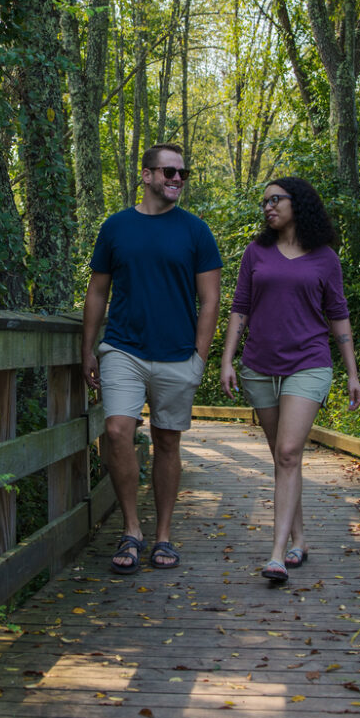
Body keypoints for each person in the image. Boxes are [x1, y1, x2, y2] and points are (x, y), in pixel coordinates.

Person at [81, 143, 223, 575]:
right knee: (117, 429)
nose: (177, 179)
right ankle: (131, 528)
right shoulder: (117, 227)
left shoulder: (196, 231)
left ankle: (163, 535)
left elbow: (211, 299)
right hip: (123, 347)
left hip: (178, 355)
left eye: (182, 173)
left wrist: (200, 356)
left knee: (166, 441)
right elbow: (97, 291)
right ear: (146, 176)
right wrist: (88, 346)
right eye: (168, 172)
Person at [219, 176, 360, 584]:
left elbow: (338, 315)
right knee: (285, 459)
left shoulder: (324, 258)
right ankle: (299, 538)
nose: (267, 207)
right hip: (259, 364)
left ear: (298, 203)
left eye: (275, 200)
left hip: (309, 363)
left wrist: (352, 372)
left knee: (287, 452)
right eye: (264, 202)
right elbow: (240, 307)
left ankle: (277, 553)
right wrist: (227, 359)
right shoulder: (256, 252)